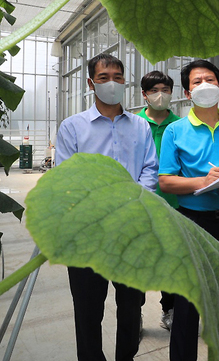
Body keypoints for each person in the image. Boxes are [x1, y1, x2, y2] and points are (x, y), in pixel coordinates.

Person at [56, 53, 158, 361]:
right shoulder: (73, 128)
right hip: (88, 236)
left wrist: (132, 201)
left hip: (131, 234)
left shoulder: (140, 127)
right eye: (103, 78)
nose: (111, 83)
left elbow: (150, 169)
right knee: (87, 311)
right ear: (91, 83)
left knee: (131, 308)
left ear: (124, 81)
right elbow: (67, 178)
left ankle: (125, 356)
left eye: (117, 77)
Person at [159, 59, 219, 361]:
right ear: (187, 92)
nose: (204, 86)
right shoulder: (176, 130)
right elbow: (166, 181)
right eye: (197, 82)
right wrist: (204, 181)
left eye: (209, 79)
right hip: (193, 222)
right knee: (188, 301)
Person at [137, 70, 180, 331]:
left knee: (170, 260)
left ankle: (169, 308)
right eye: (154, 90)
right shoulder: (133, 123)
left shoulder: (180, 125)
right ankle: (134, 311)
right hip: (140, 204)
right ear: (144, 94)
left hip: (173, 204)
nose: (160, 95)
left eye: (165, 89)